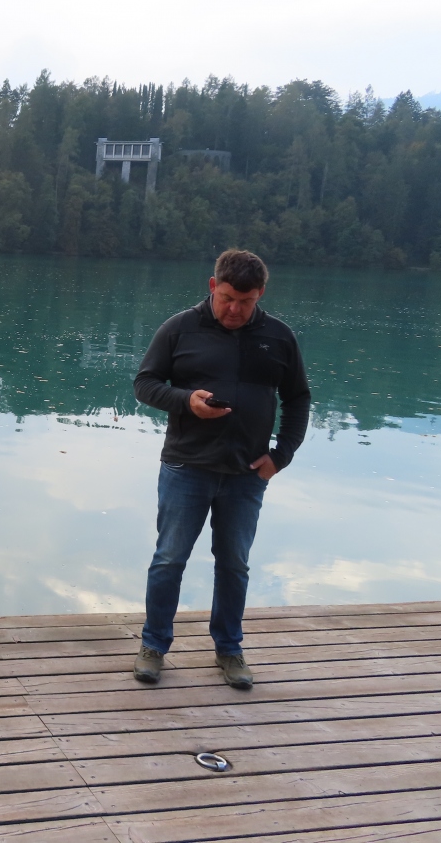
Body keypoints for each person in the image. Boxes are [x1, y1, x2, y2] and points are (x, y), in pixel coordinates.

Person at [131, 249, 310, 689]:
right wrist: (185, 401)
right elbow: (145, 384)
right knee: (169, 559)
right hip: (186, 467)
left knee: (234, 565)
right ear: (213, 286)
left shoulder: (279, 337)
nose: (234, 309)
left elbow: (298, 398)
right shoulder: (179, 328)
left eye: (245, 302)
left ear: (260, 293)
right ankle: (154, 646)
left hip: (247, 474)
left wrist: (281, 455)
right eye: (227, 298)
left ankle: (229, 650)